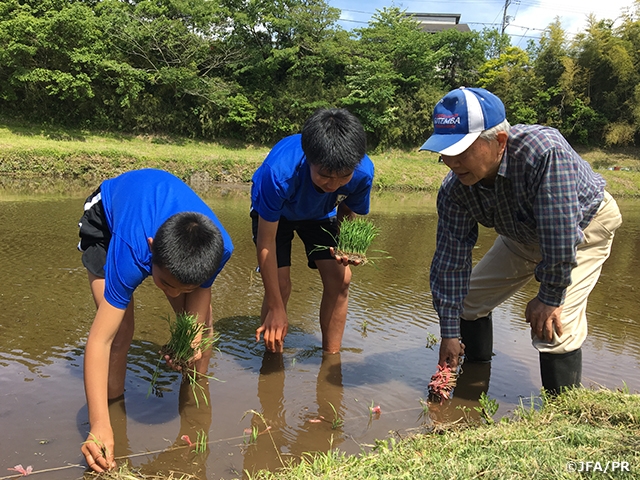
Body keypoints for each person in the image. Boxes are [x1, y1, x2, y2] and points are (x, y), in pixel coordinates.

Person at [420, 87, 622, 395]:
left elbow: (560, 230)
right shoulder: (455, 191)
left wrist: (551, 295)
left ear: (499, 141)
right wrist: (449, 334)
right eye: (444, 153)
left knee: (554, 326)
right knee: (468, 302)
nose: (452, 162)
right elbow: (450, 260)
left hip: (584, 227)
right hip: (523, 234)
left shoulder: (543, 152)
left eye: (461, 150)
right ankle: (474, 383)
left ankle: (561, 416)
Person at [77, 168, 233, 472]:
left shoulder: (221, 248)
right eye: (165, 283)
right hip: (106, 221)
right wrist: (98, 424)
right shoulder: (133, 250)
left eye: (182, 288)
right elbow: (99, 340)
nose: (173, 293)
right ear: (151, 250)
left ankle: (195, 396)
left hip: (164, 225)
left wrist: (191, 340)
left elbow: (201, 292)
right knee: (120, 330)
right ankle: (112, 414)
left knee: (201, 326)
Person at [250, 108, 374, 354]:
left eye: (343, 178)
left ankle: (331, 358)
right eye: (325, 176)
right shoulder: (279, 173)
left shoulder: (362, 173)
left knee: (341, 279)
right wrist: (276, 306)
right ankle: (271, 359)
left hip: (319, 214)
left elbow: (347, 209)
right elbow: (267, 242)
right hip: (277, 215)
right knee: (281, 285)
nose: (334, 185)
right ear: (308, 159)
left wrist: (345, 245)